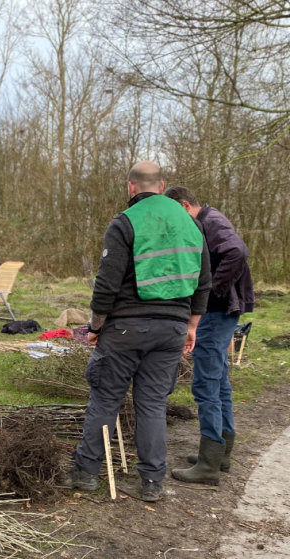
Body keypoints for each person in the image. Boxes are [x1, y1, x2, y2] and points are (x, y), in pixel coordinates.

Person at [68, 161, 212, 501]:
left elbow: (106, 283)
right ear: (162, 186)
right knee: (152, 404)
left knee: (105, 399)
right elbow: (203, 282)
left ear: (131, 188)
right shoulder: (191, 224)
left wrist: (95, 327)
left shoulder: (125, 222)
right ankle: (151, 482)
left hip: (125, 329)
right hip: (173, 329)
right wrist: (191, 325)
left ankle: (85, 473)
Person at [164, 186, 255, 485]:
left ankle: (208, 463)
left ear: (186, 205)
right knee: (219, 381)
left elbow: (237, 251)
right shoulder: (208, 221)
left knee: (205, 383)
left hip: (215, 315)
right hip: (219, 314)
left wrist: (211, 290)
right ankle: (221, 452)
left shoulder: (211, 222)